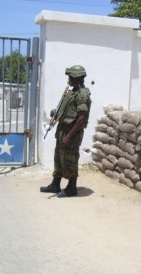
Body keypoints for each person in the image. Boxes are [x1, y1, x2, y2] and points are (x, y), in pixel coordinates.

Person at [40, 65, 91, 198]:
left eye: (71, 77)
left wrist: (69, 136)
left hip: (72, 133)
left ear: (78, 78)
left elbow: (81, 118)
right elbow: (68, 111)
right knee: (58, 157)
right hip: (63, 130)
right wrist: (56, 113)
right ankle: (55, 184)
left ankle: (71, 187)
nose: (69, 79)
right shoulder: (71, 92)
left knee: (70, 159)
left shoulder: (82, 95)